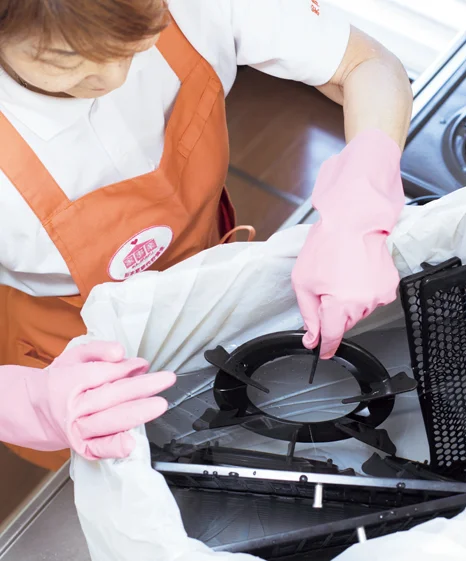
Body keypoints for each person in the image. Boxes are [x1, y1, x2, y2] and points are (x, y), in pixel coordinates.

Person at [0, 0, 413, 471]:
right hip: (72, 362)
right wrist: (30, 402)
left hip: (215, 289)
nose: (116, 78)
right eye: (69, 60)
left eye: (143, 36)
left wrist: (360, 205)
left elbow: (365, 64)